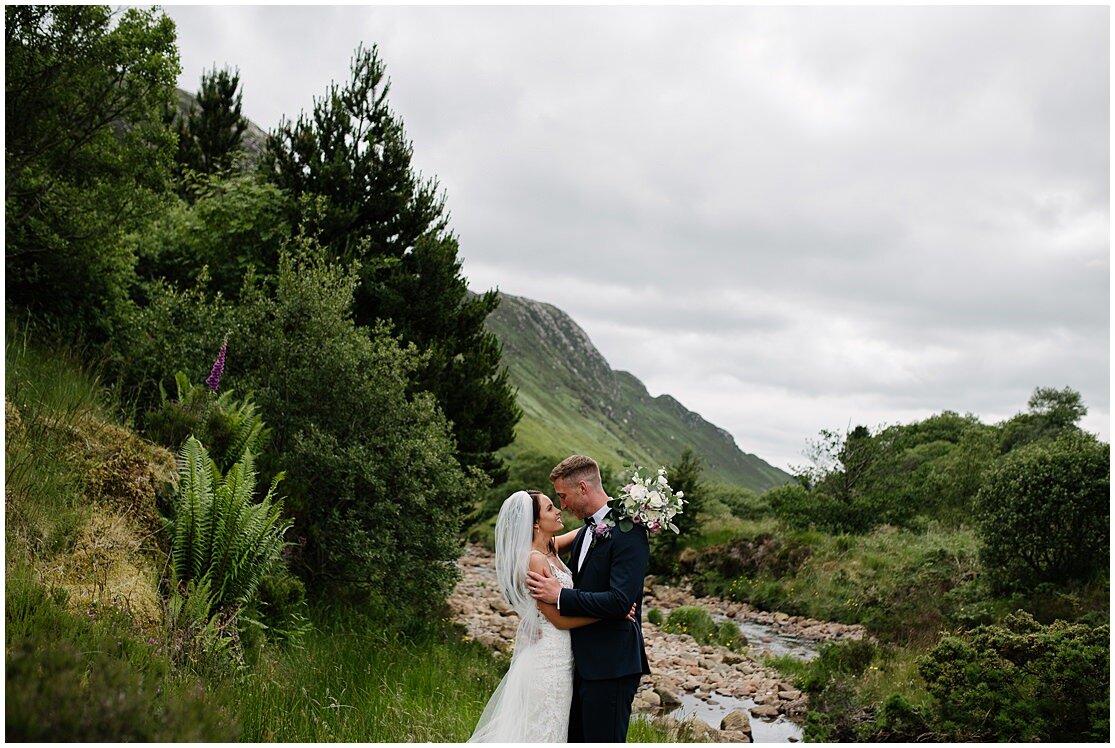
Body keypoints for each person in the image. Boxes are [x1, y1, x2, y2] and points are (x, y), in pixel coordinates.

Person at [468, 489, 636, 743]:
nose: (559, 510)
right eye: (550, 508)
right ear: (535, 523)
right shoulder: (535, 561)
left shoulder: (550, 547)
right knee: (544, 730)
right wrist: (611, 613)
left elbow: (592, 530)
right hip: (548, 658)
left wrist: (631, 505)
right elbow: (557, 619)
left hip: (562, 654)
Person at [527, 455, 651, 743]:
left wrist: (561, 595)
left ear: (582, 488)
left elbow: (622, 601)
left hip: (611, 664)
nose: (563, 505)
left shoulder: (628, 531)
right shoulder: (585, 532)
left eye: (564, 496)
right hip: (579, 664)